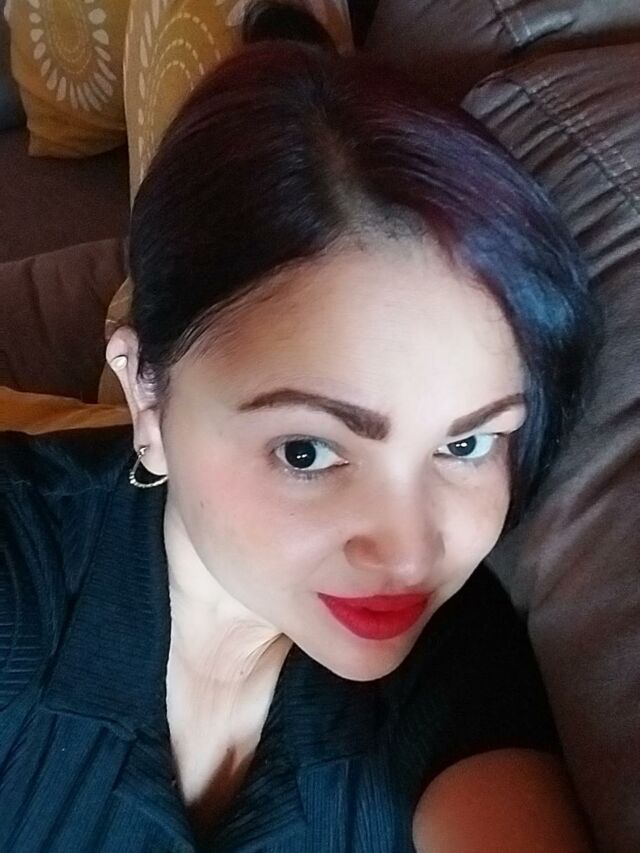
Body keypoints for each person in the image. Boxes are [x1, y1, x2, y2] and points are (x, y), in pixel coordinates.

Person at [0, 3, 597, 851]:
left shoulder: (460, 655)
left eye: (465, 444)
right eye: (308, 450)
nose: (408, 553)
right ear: (147, 398)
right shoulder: (21, 569)